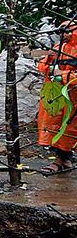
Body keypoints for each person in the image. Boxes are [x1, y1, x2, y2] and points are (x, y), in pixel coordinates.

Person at [38, 20, 76, 175]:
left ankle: (62, 160)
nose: (63, 35)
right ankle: (62, 160)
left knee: (70, 127)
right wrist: (51, 70)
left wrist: (65, 76)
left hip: (73, 96)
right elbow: (42, 64)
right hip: (56, 95)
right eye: (61, 32)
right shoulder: (56, 48)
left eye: (67, 31)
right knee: (53, 125)